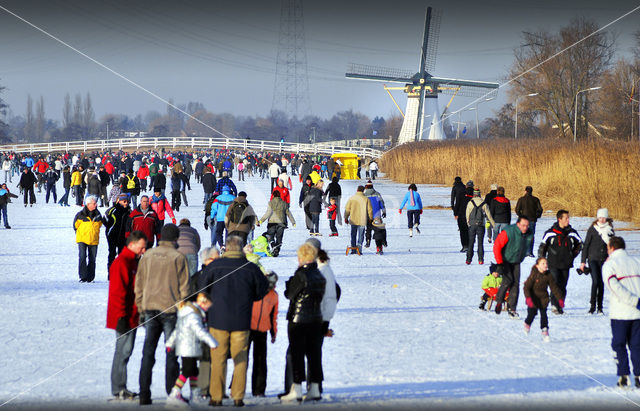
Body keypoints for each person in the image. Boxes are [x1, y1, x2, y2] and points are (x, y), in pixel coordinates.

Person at [197, 236, 269, 407]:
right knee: (241, 358)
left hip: (217, 320)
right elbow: (262, 289)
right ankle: (237, 396)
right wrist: (251, 297)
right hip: (242, 320)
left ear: (227, 249)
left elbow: (201, 288)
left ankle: (216, 396)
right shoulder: (250, 268)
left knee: (218, 358)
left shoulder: (214, 266)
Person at [135, 224, 190, 406]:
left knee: (148, 352)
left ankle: (144, 393)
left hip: (150, 308)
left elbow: (139, 284)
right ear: (175, 239)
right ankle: (171, 392)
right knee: (171, 353)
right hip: (171, 311)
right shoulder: (178, 257)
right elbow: (185, 288)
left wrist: (141, 307)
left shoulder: (148, 255)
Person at [281, 243, 326, 402]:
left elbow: (289, 294)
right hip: (316, 319)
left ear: (301, 257)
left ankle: (297, 389)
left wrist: (289, 284)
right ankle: (314, 388)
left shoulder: (301, 275)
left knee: (297, 354)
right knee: (314, 354)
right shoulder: (320, 275)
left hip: (298, 320)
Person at [106, 231, 148, 401]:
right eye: (141, 247)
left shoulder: (132, 262)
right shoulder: (122, 263)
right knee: (122, 352)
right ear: (132, 244)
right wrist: (121, 317)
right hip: (123, 317)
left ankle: (120, 387)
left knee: (126, 351)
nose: (143, 251)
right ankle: (118, 388)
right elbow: (118, 293)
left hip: (131, 315)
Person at [165, 293, 219, 405]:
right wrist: (212, 342)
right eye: (207, 306)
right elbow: (199, 331)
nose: (207, 309)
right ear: (202, 302)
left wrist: (170, 343)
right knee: (187, 371)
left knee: (194, 371)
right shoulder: (193, 315)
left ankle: (195, 394)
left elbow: (177, 330)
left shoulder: (187, 312)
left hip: (190, 347)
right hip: (188, 347)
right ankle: (175, 392)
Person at [602, 236, 640, 388]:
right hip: (638, 313)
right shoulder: (637, 261)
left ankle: (624, 375)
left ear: (611, 248)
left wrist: (633, 300)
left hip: (621, 313)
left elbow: (614, 287)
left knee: (619, 344)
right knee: (637, 345)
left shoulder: (610, 264)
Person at [538, 209, 582, 314]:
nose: (568, 220)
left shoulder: (572, 232)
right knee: (555, 284)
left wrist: (572, 255)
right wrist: (541, 261)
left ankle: (560, 306)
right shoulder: (550, 233)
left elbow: (580, 244)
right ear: (559, 219)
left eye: (568, 218)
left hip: (566, 264)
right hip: (553, 263)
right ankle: (554, 305)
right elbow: (542, 247)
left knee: (563, 286)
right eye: (566, 218)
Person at [493, 216, 533, 317]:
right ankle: (499, 301)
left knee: (515, 284)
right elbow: (497, 246)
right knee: (507, 280)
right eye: (523, 225)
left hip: (516, 261)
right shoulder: (509, 232)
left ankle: (512, 308)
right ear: (518, 224)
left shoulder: (529, 233)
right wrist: (499, 263)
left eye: (527, 226)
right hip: (504, 260)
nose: (525, 228)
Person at [249, 271, 279, 397]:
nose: (270, 285)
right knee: (242, 360)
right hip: (248, 328)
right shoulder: (253, 290)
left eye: (272, 283)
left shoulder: (274, 296)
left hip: (263, 330)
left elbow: (274, 316)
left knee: (261, 361)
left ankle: (259, 390)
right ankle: (236, 387)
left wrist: (273, 333)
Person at [581, 208, 614, 315]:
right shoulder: (593, 229)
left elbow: (613, 246)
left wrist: (611, 256)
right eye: (600, 217)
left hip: (604, 260)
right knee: (595, 281)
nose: (602, 219)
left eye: (604, 217)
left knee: (601, 282)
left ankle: (600, 307)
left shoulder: (610, 230)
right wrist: (583, 261)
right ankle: (592, 306)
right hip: (592, 259)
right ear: (597, 218)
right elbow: (586, 245)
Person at [522, 257, 564, 342]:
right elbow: (526, 287)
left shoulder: (549, 275)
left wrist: (560, 299)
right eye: (543, 263)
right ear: (537, 266)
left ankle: (545, 330)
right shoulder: (534, 274)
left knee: (544, 314)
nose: (545, 265)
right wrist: (528, 298)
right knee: (532, 314)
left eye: (546, 263)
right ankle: (527, 323)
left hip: (543, 298)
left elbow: (554, 288)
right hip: (533, 298)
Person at [73, 195, 103, 283]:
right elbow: (75, 226)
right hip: (82, 239)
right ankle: (83, 277)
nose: (96, 205)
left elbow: (100, 224)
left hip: (93, 240)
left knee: (92, 259)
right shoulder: (80, 215)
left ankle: (90, 277)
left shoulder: (98, 215)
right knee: (82, 257)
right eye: (94, 203)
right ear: (88, 204)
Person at [258, 190, 296, 257]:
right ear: (279, 196)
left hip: (272, 223)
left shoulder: (270, 203)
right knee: (279, 238)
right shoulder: (284, 203)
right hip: (281, 223)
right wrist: (293, 222)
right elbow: (289, 213)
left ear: (273, 195)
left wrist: (261, 221)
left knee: (270, 236)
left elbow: (268, 213)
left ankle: (273, 246)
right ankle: (277, 251)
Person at [465, 188, 495, 265]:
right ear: (479, 194)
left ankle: (468, 259)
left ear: (474, 194)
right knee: (480, 243)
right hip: (481, 225)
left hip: (472, 225)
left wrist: (468, 223)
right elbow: (489, 216)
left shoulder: (470, 203)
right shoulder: (484, 204)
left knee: (471, 243)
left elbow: (467, 215)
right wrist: (494, 225)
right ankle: (480, 259)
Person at [104, 194, 131, 273]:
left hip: (124, 237)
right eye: (124, 201)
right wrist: (108, 232)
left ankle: (120, 273)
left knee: (122, 256)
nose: (126, 203)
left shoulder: (129, 211)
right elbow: (105, 219)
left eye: (127, 201)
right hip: (112, 236)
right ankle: (111, 273)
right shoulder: (113, 210)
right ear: (119, 201)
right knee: (112, 254)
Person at [515, 186, 543, 257]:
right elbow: (540, 209)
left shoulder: (521, 199)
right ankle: (530, 251)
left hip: (523, 221)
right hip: (532, 219)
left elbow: (517, 209)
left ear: (525, 191)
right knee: (531, 235)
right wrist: (536, 216)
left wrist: (521, 216)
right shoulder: (536, 199)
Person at [344, 185, 373, 254]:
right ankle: (359, 250)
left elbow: (347, 209)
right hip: (362, 220)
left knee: (353, 235)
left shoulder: (352, 198)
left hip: (353, 220)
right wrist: (370, 218)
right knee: (361, 236)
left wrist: (346, 217)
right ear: (363, 191)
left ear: (357, 190)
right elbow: (370, 210)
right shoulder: (366, 199)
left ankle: (353, 249)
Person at [363, 181, 386, 247]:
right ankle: (379, 247)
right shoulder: (377, 194)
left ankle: (368, 241)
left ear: (366, 187)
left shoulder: (364, 195)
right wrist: (384, 212)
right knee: (378, 231)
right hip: (377, 215)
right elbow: (382, 203)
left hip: (367, 215)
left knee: (368, 229)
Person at [451, 176, 468, 251]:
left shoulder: (455, 187)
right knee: (466, 229)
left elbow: (452, 197)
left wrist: (453, 207)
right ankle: (468, 244)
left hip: (458, 208)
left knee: (462, 229)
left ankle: (464, 246)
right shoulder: (464, 187)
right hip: (465, 208)